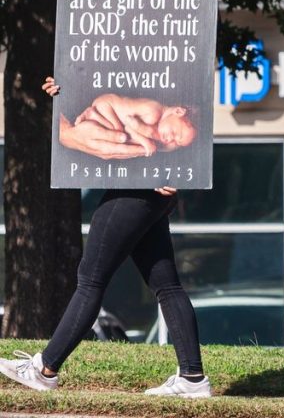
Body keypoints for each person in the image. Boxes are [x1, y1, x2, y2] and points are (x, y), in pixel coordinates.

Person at [0, 77, 211, 397]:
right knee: (167, 286)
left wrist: (169, 170)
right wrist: (66, 89)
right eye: (177, 134)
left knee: (91, 281)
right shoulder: (146, 96)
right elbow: (97, 72)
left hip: (134, 194)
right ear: (178, 111)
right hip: (149, 196)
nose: (172, 141)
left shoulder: (157, 112)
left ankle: (45, 369)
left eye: (178, 144)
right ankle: (193, 378)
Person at [72, 93, 198, 156]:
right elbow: (129, 125)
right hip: (106, 106)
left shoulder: (161, 123)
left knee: (119, 137)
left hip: (108, 113)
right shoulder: (154, 112)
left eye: (176, 142)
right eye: (174, 133)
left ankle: (92, 117)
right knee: (118, 131)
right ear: (178, 111)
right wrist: (146, 142)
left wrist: (168, 145)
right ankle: (92, 115)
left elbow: (161, 144)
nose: (170, 139)